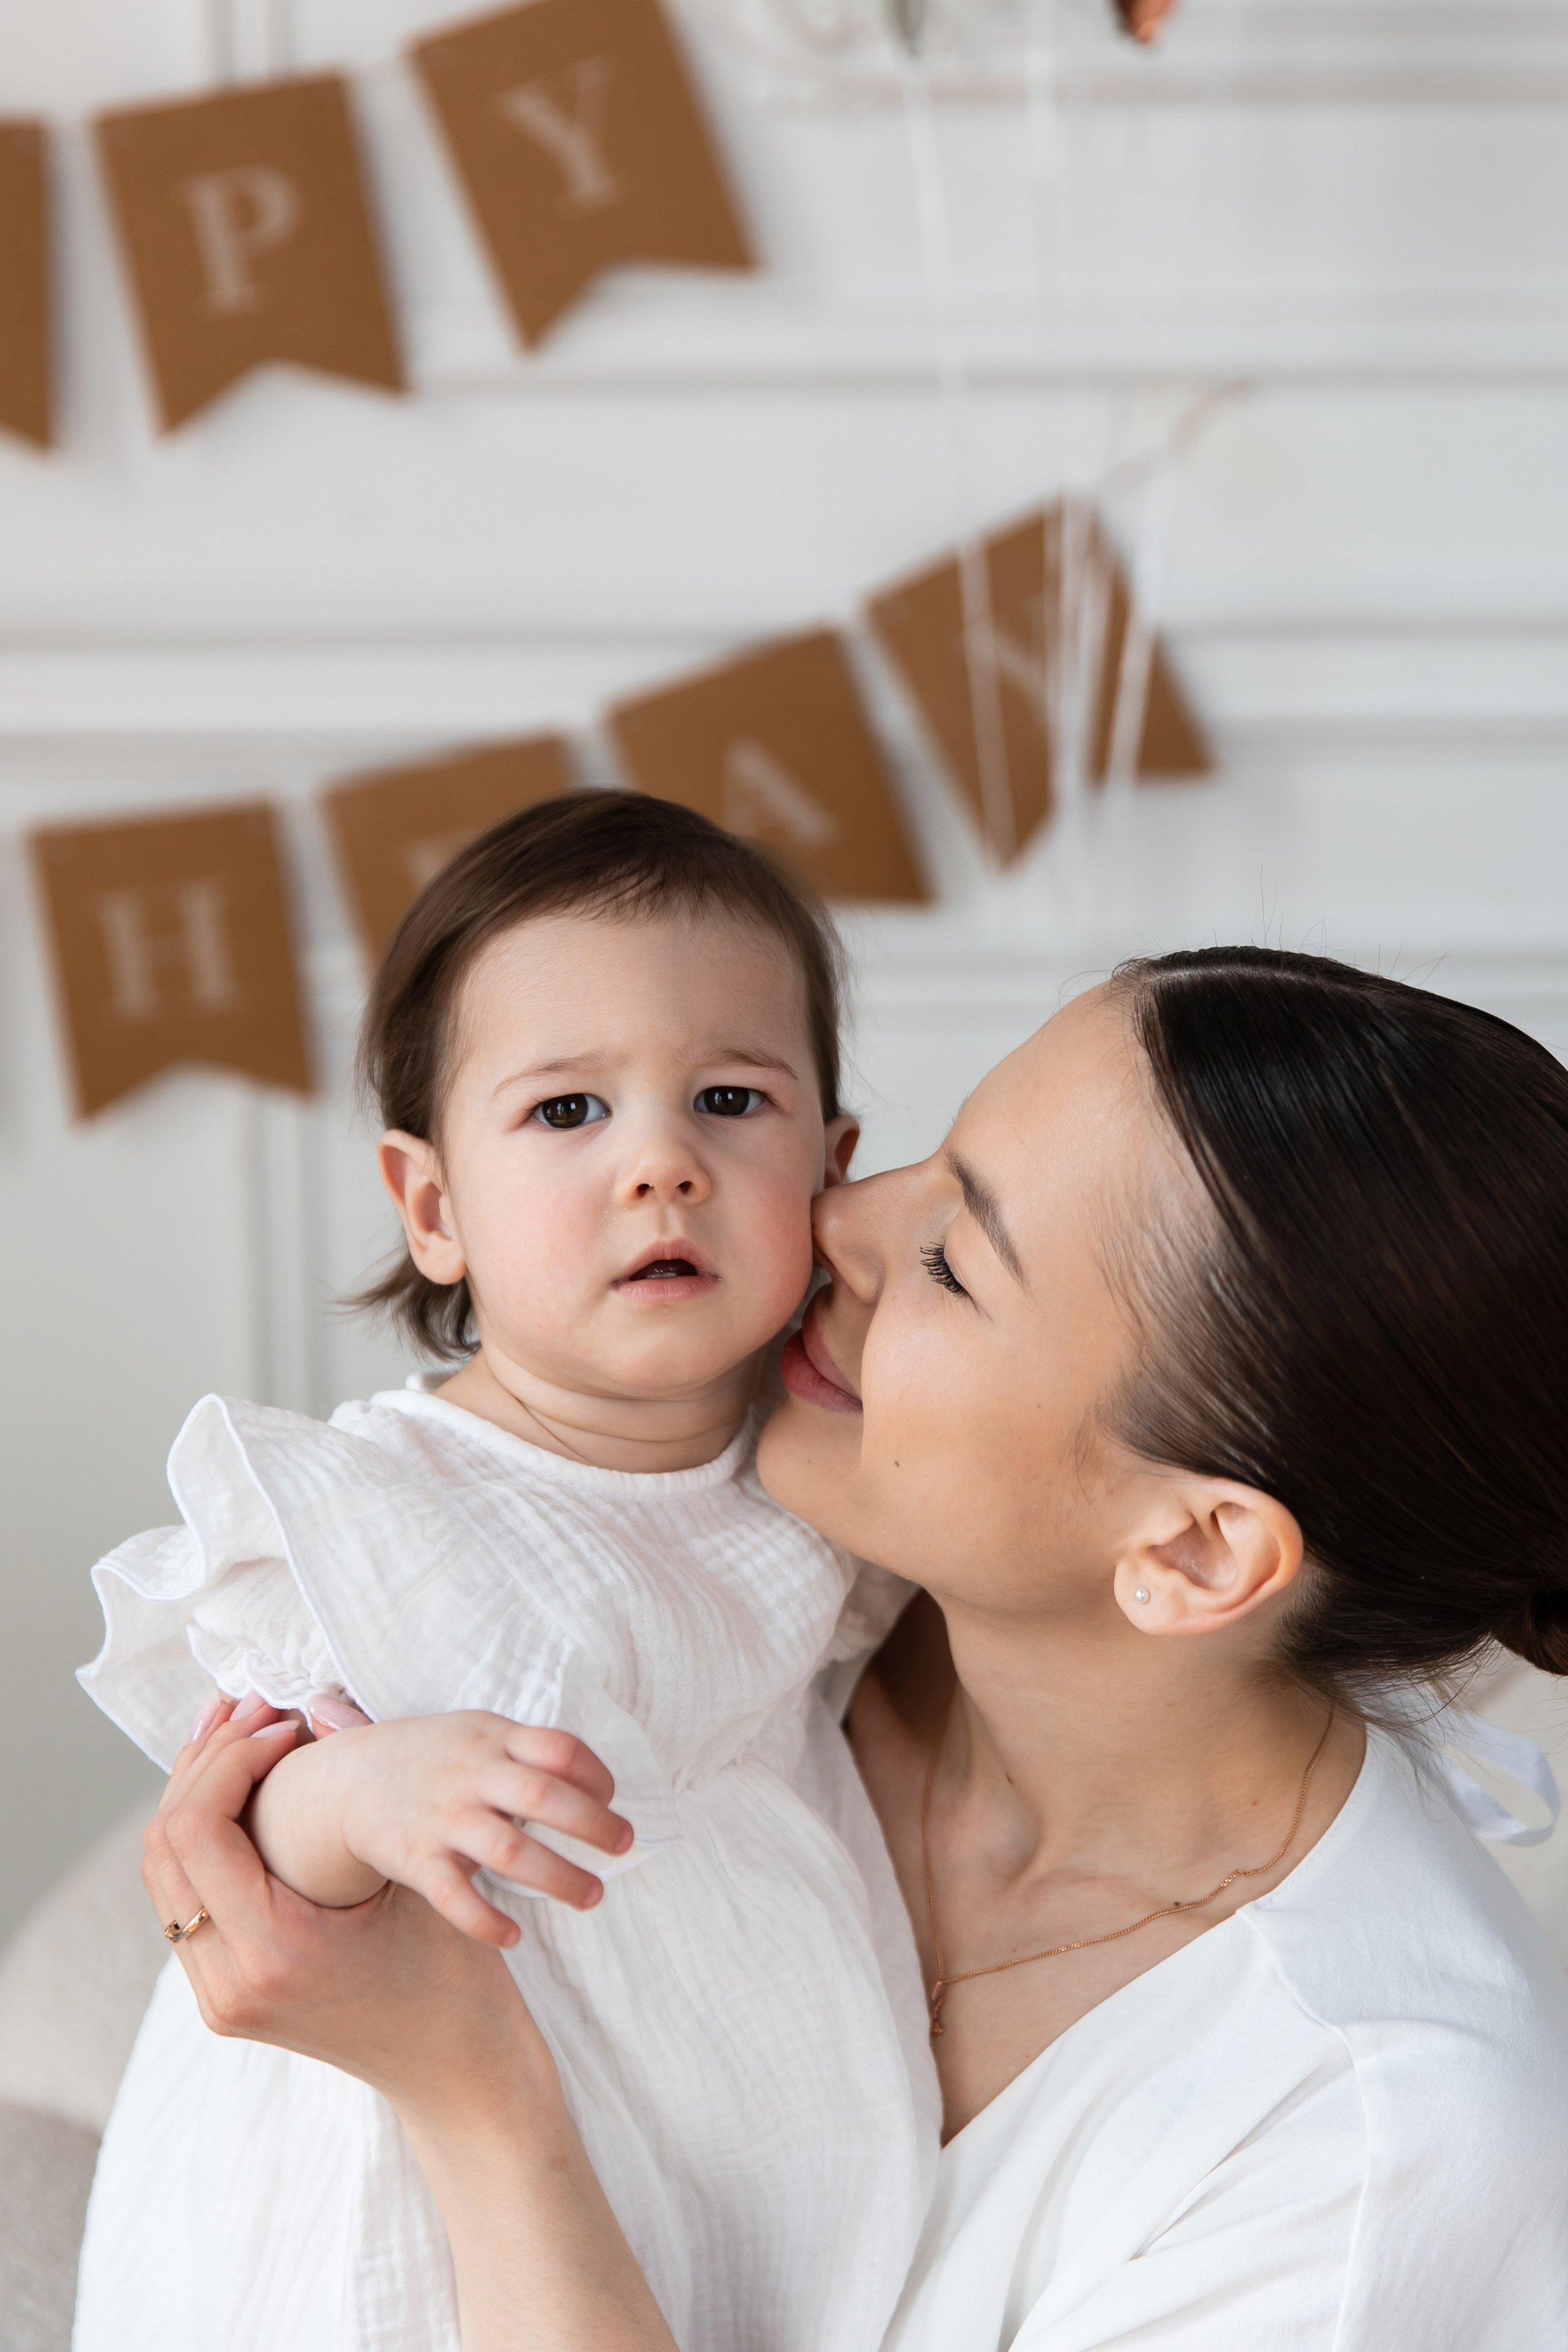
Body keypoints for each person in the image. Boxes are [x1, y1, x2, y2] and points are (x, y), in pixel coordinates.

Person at [139, 946, 1568, 2352]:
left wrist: (470, 2094)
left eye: (951, 1262)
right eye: (932, 1154)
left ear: (1190, 1553)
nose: (841, 1218)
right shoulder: (747, 1619)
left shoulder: (1375, 2144)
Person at [74, 794, 937, 2352]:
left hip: (714, 2121)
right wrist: (371, 1794)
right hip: (391, 2156)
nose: (662, 1164)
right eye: (566, 1115)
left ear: (833, 1167)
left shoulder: (825, 1478)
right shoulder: (380, 1503)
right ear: (432, 1207)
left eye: (731, 1099)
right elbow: (238, 1817)